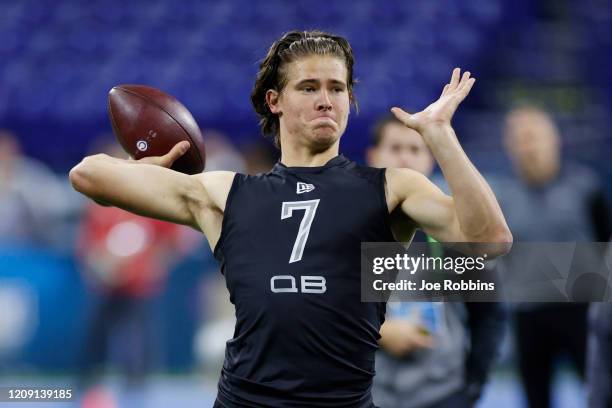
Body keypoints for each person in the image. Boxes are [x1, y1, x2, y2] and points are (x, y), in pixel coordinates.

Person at [69, 30, 511, 407]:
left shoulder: (393, 186)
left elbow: (490, 241)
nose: (326, 100)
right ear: (274, 100)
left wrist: (441, 136)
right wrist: (149, 165)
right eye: (309, 87)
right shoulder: (227, 192)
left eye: (337, 89)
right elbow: (88, 174)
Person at [367, 115, 507, 408]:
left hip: (442, 395)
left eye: (415, 149)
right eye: (394, 147)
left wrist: (471, 387)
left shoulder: (457, 232)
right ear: (373, 156)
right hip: (369, 396)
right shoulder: (348, 226)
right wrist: (381, 333)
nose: (405, 157)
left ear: (430, 160)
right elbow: (321, 309)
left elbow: (489, 315)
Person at [495, 106, 611, 408]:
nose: (528, 146)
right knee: (536, 398)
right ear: (509, 146)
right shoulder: (500, 198)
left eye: (534, 137)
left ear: (554, 139)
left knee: (601, 393)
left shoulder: (586, 187)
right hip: (529, 313)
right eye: (519, 138)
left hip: (582, 311)